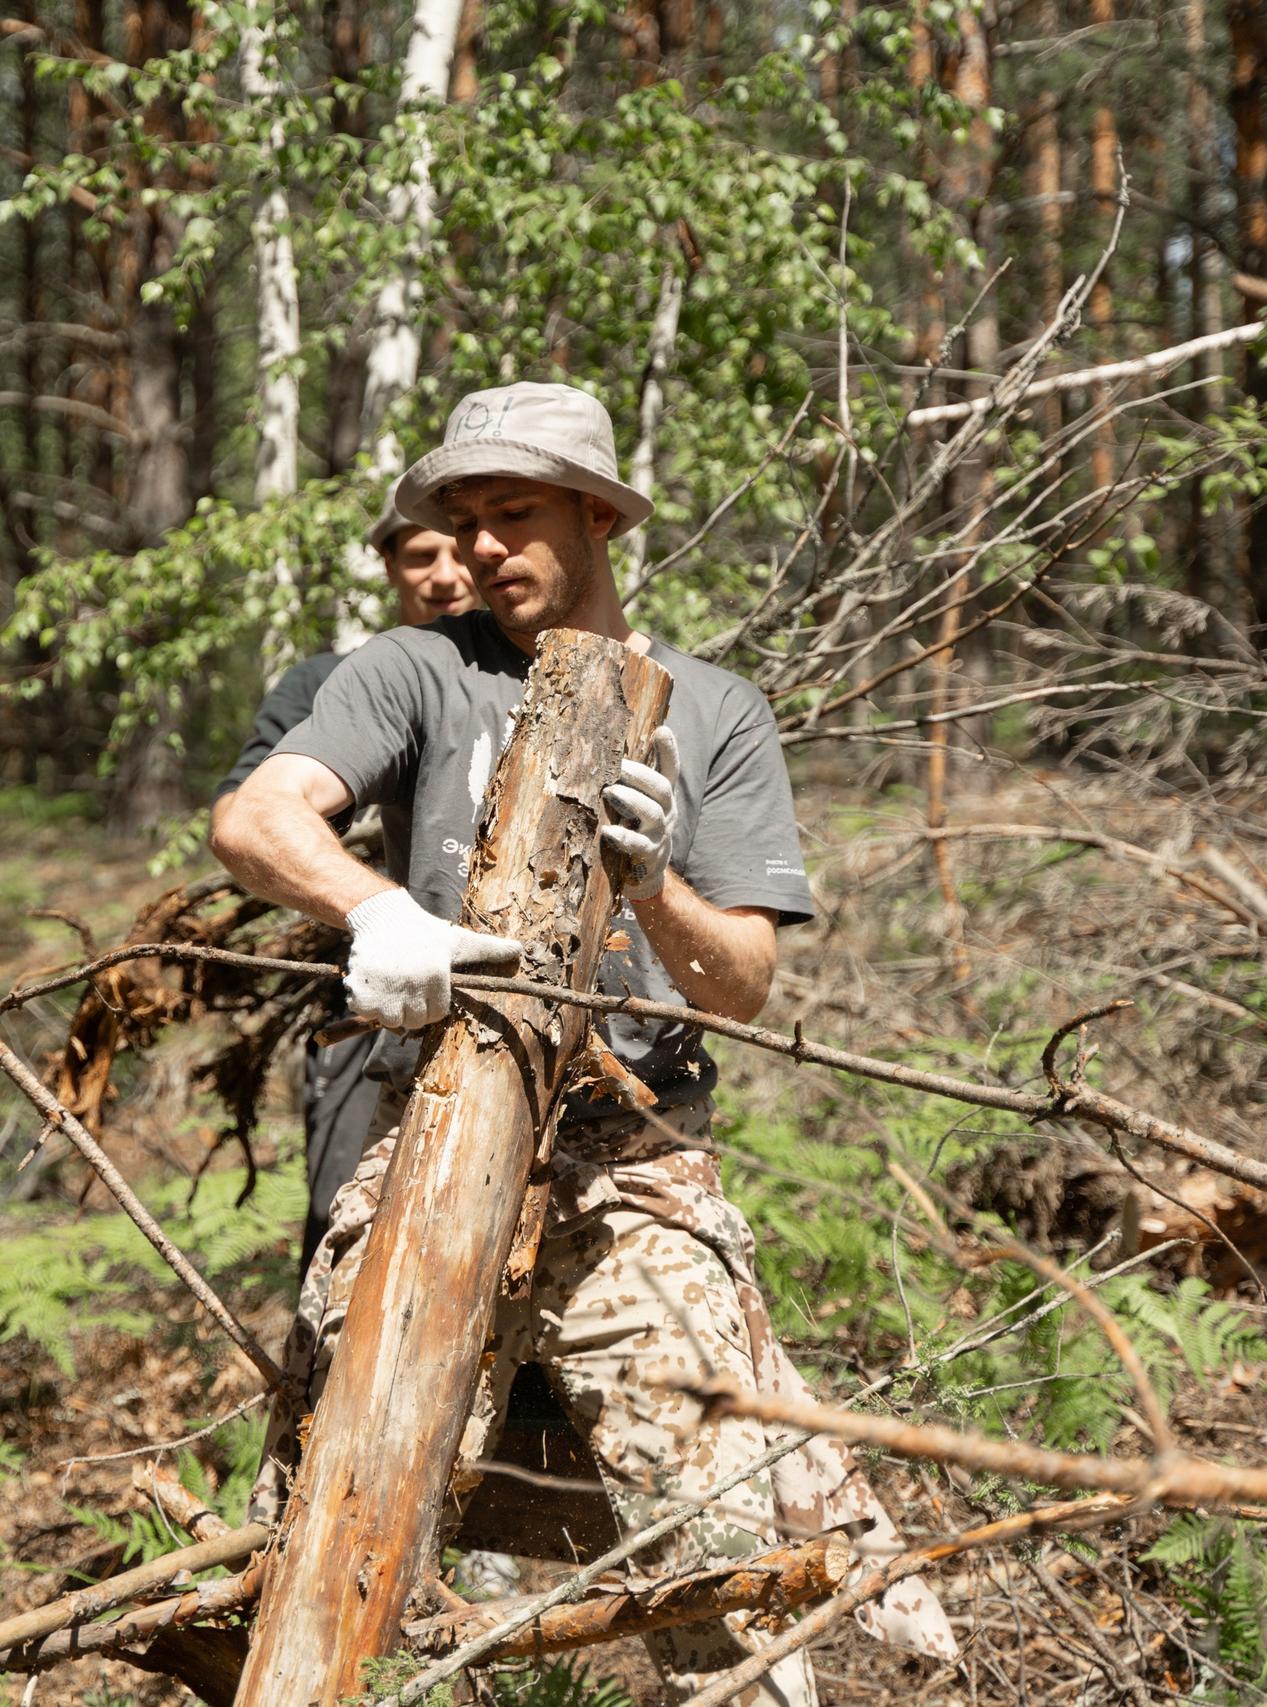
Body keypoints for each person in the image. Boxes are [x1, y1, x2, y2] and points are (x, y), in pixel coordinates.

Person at [211, 384, 956, 1706]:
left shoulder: (714, 708)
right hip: (434, 1122)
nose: (484, 545)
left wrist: (655, 883)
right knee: (326, 1508)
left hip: (631, 1161)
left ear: (599, 516)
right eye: (467, 520)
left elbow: (742, 985)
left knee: (718, 1533)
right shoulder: (417, 669)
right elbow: (255, 818)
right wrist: (380, 912)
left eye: (516, 513)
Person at [208, 497, 477, 1274]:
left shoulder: (539, 673)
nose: (444, 574)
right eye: (420, 556)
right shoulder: (332, 682)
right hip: (365, 994)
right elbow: (239, 813)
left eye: (456, 550)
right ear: (388, 567)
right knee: (348, 1217)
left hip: (505, 992)